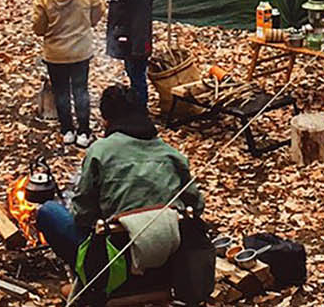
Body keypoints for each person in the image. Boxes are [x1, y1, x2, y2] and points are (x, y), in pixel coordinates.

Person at [32, 87, 211, 304]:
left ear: (106, 121)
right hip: (168, 264)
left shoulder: (100, 151)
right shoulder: (172, 154)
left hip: (112, 265)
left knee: (49, 212)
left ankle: (91, 282)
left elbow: (83, 215)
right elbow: (196, 207)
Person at [32, 0, 105, 150]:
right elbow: (98, 10)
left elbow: (38, 27)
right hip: (81, 51)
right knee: (81, 90)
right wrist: (87, 24)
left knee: (61, 91)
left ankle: (67, 131)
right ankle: (84, 132)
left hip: (56, 53)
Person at [100, 0, 155, 108]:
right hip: (125, 38)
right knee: (133, 74)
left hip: (136, 43)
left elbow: (141, 22)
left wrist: (139, 48)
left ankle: (140, 110)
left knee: (137, 77)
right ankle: (135, 107)